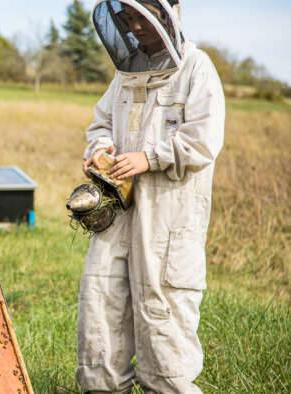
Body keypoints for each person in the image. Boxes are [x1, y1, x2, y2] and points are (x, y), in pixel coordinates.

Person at [78, 1, 225, 393]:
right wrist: (99, 150)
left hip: (167, 219)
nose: (135, 28)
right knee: (100, 309)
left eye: (142, 18)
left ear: (168, 16)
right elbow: (101, 123)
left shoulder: (197, 68)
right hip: (116, 216)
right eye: (128, 20)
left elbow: (202, 141)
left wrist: (149, 158)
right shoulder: (126, 73)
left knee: (163, 324)